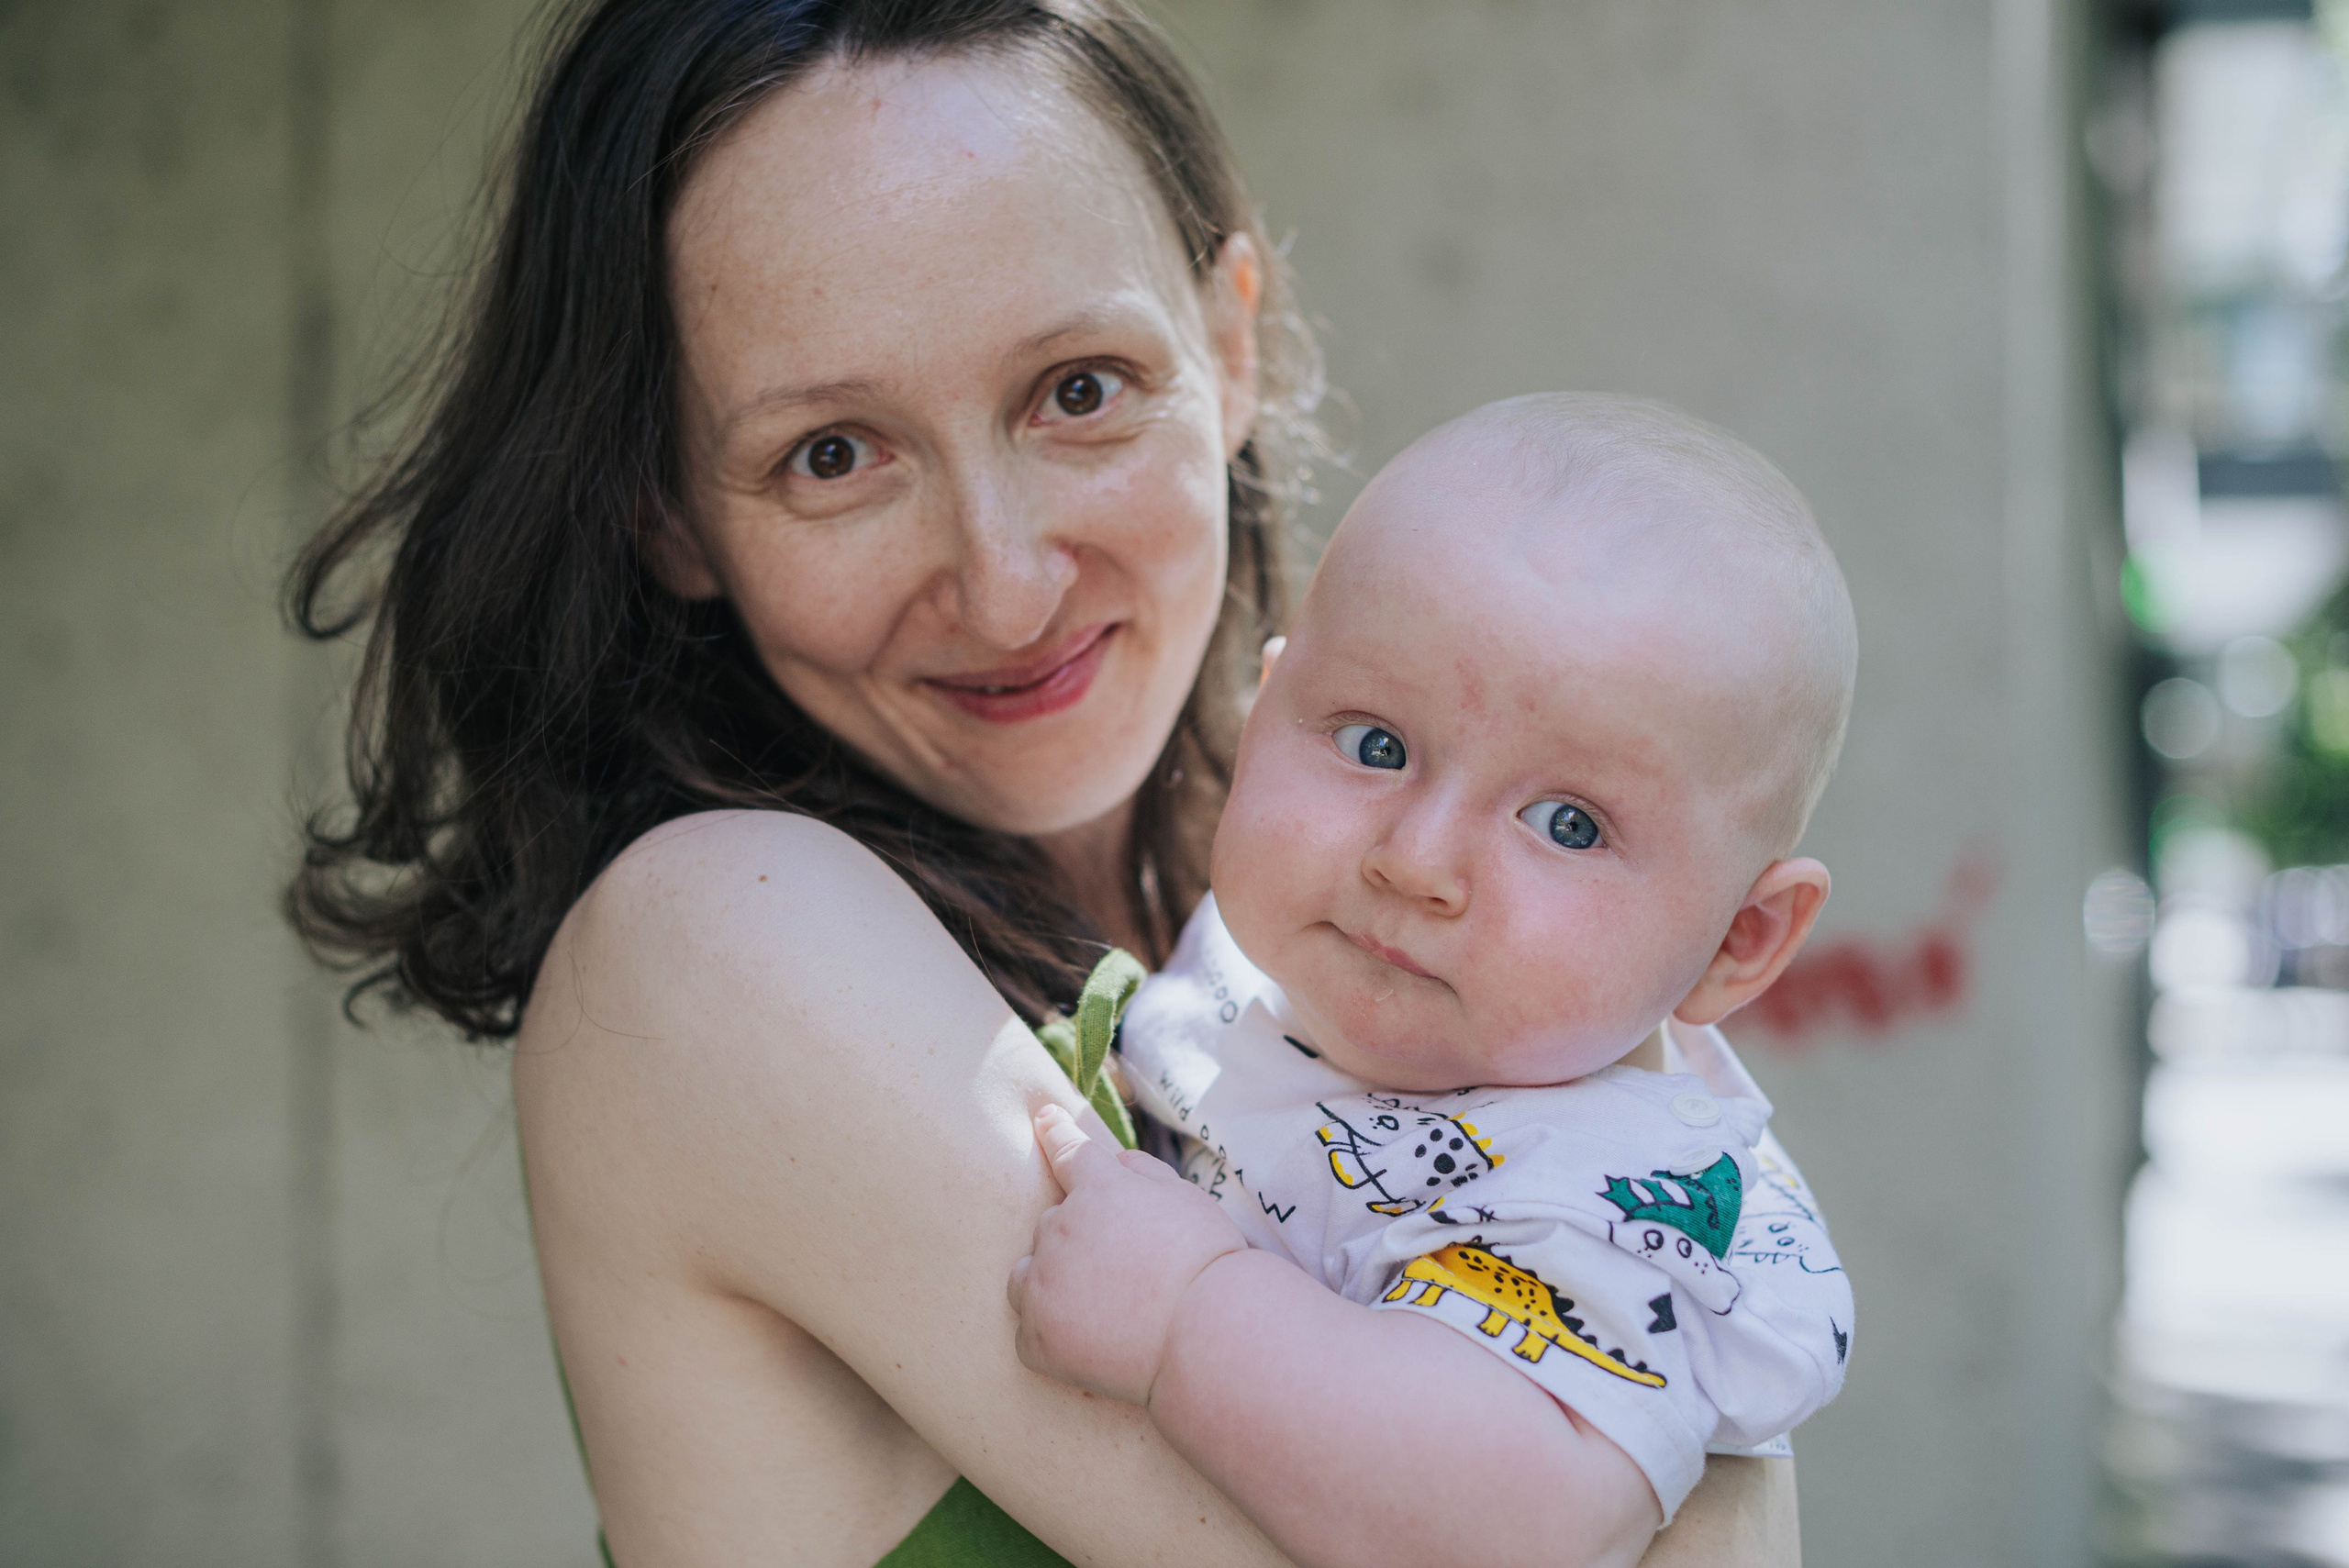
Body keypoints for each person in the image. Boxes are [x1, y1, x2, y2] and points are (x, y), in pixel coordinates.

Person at [284, 1, 1808, 1562]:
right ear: (668, 509)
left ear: (1228, 345)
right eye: (832, 454)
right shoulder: (715, 941)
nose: (1005, 587)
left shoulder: (1326, 965)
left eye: (1077, 388)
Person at [1007, 395, 1856, 1568]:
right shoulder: (1265, 962)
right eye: (1372, 744)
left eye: (1565, 823)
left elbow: (1526, 1520)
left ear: (1737, 940)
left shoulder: (1606, 1201)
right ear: (1262, 715)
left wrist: (1182, 1315)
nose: (1414, 859)